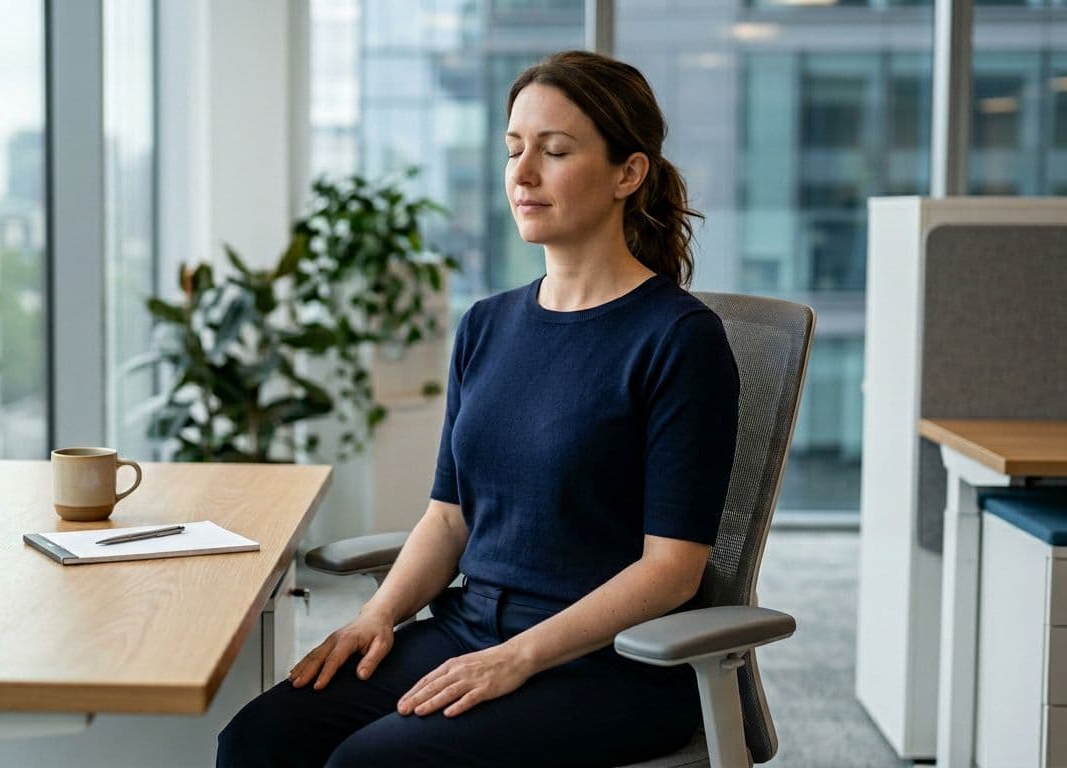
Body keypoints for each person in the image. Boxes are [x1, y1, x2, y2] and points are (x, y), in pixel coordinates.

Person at [216, 50, 740, 768]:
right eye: (513, 149)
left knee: (371, 764)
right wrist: (377, 616)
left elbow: (672, 570)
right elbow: (448, 517)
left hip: (609, 665)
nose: (522, 175)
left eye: (554, 151)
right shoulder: (487, 325)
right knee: (259, 738)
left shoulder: (679, 339)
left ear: (629, 172)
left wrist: (519, 657)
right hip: (467, 630)